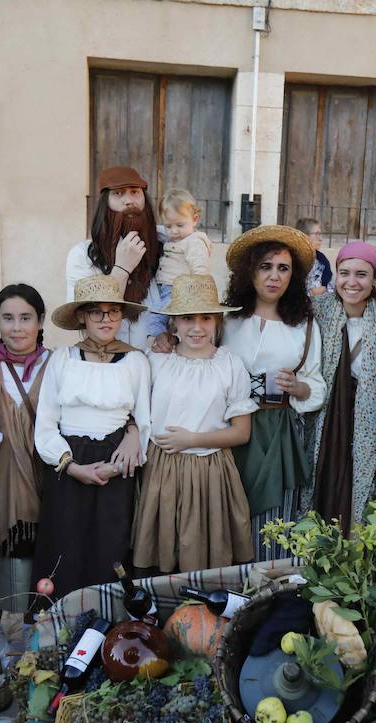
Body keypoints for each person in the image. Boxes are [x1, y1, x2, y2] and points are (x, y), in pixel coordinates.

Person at [33, 276, 151, 599]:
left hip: (117, 465)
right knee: (65, 546)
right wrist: (72, 467)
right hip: (69, 464)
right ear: (82, 316)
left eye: (113, 312)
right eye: (97, 312)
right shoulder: (63, 359)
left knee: (110, 548)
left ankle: (109, 630)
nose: (106, 319)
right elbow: (45, 423)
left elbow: (146, 418)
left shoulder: (137, 361)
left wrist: (132, 436)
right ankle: (58, 629)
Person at [133, 274, 255, 574]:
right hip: (163, 468)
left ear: (218, 321)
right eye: (187, 318)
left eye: (206, 318)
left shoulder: (230, 364)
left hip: (210, 469)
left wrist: (193, 440)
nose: (197, 327)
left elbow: (242, 432)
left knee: (205, 547)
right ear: (173, 323)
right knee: (163, 544)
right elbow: (135, 413)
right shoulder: (156, 360)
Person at [221, 225, 325, 561]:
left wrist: (299, 387)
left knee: (273, 518)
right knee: (228, 507)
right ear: (249, 271)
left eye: (283, 268)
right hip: (228, 428)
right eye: (265, 267)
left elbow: (315, 382)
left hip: (278, 431)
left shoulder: (304, 325)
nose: (274, 276)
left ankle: (268, 591)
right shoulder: (226, 320)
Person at [0, 284, 50, 615]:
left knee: (46, 556)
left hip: (46, 480)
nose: (17, 328)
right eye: (8, 318)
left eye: (26, 318)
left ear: (41, 321)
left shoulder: (58, 366)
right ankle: (7, 635)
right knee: (4, 558)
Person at [303, 241, 376, 535]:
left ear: (374, 280)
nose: (351, 282)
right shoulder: (318, 311)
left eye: (362, 275)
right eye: (344, 273)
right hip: (328, 420)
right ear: (335, 276)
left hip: (370, 420)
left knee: (364, 489)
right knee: (325, 481)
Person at [64, 165, 163, 346]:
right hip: (108, 365)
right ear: (105, 203)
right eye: (118, 194)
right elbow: (84, 316)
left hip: (158, 366)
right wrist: (122, 269)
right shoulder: (82, 256)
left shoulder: (165, 247)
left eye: (135, 192)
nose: (129, 201)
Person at [148, 188, 214, 344]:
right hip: (165, 290)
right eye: (168, 226)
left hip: (179, 290)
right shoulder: (176, 239)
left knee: (156, 318)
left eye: (180, 224)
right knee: (167, 320)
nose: (174, 231)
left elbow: (200, 268)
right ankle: (169, 340)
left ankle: (156, 343)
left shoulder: (194, 241)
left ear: (195, 219)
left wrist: (195, 293)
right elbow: (156, 232)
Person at [297, 217, 332, 297]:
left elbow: (330, 286)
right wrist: (311, 293)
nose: (320, 239)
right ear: (304, 236)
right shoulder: (293, 261)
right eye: (317, 234)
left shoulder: (322, 260)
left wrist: (325, 288)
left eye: (320, 234)